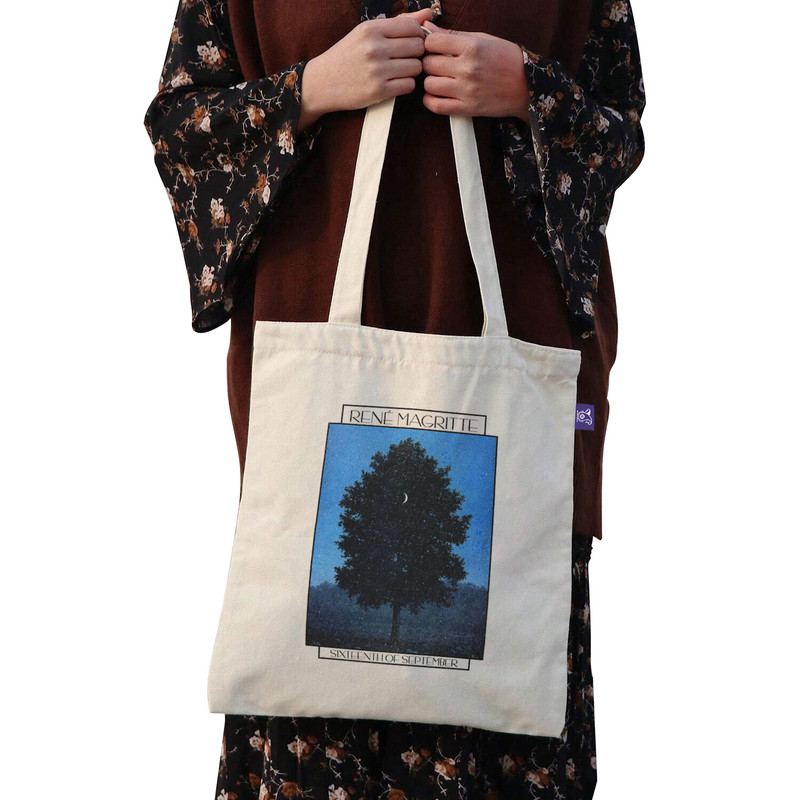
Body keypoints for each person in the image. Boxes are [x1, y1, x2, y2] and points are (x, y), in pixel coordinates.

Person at [143, 1, 645, 797]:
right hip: (317, 389)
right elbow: (181, 127)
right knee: (309, 691)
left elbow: (620, 127)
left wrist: (529, 91)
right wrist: (312, 88)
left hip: (522, 390)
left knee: (513, 675)